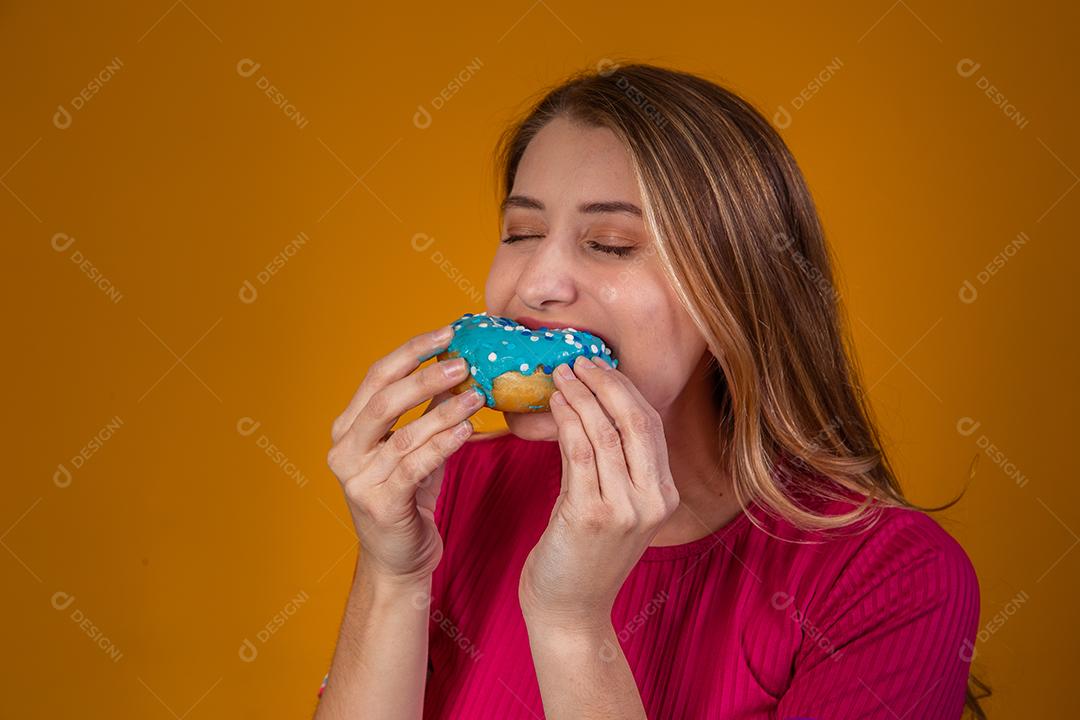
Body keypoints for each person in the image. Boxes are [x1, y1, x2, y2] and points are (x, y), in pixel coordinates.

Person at [314, 62, 990, 719]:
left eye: (609, 244)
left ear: (736, 301)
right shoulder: (454, 491)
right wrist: (392, 577)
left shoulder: (893, 580)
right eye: (521, 233)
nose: (536, 284)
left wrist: (572, 625)